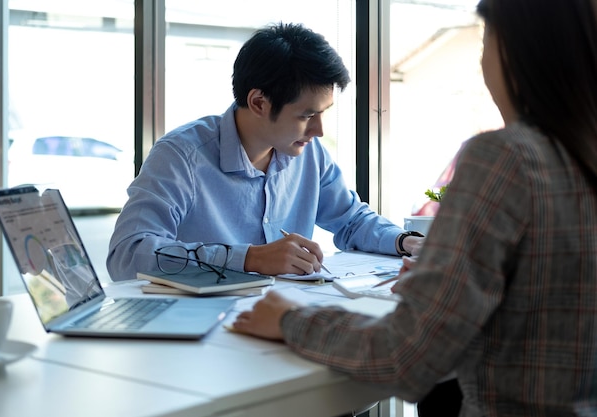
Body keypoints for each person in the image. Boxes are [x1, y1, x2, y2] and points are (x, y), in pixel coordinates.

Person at [233, 0, 597, 415]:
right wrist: (444, 285)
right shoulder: (577, 157)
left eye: (485, 41)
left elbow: (405, 354)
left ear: (516, 52)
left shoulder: (507, 159)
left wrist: (289, 320)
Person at [106, 22, 424, 282]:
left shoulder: (308, 153)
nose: (319, 131)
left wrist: (403, 241)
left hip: (281, 317)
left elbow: (351, 221)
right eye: (306, 116)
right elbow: (127, 255)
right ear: (259, 102)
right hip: (201, 330)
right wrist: (250, 258)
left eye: (323, 113)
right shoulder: (181, 157)